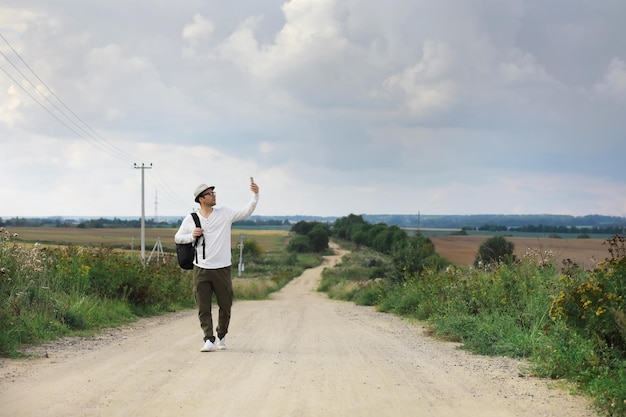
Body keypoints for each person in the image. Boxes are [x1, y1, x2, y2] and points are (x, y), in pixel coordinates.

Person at [175, 180, 260, 352]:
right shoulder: (191, 219)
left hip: (222, 267)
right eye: (210, 194)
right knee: (203, 306)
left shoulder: (224, 213)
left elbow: (246, 212)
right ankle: (208, 339)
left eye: (214, 193)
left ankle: (221, 335)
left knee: (225, 304)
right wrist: (191, 236)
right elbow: (178, 238)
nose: (214, 196)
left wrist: (255, 195)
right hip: (201, 268)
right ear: (201, 199)